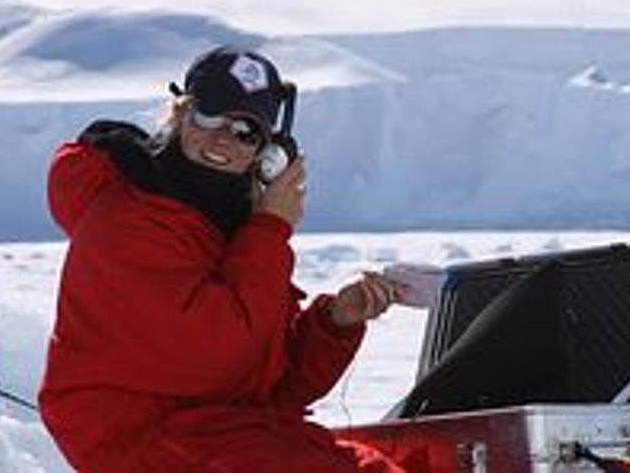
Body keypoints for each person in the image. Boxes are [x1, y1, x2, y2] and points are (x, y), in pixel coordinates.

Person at [38, 46, 406, 472]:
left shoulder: (230, 227)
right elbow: (215, 358)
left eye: (245, 131)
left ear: (268, 154)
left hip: (211, 428)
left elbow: (273, 386)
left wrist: (333, 324)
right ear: (180, 115)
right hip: (135, 434)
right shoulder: (129, 217)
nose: (222, 139)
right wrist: (269, 229)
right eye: (208, 117)